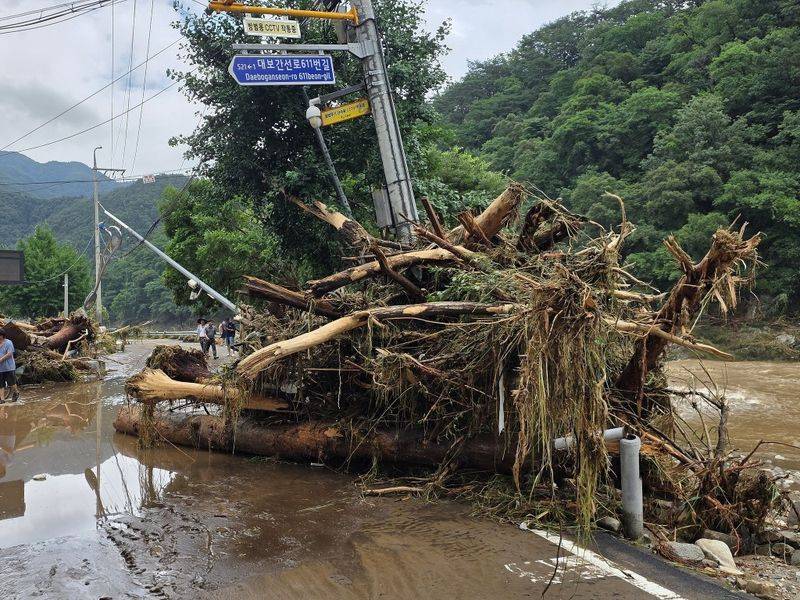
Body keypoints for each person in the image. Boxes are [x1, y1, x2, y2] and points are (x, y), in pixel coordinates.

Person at [0, 330, 19, 404]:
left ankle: (16, 392)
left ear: (2, 335)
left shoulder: (8, 342)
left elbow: (9, 353)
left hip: (9, 367)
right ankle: (2, 399)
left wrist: (1, 359)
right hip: (0, 368)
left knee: (11, 382)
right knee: (0, 384)